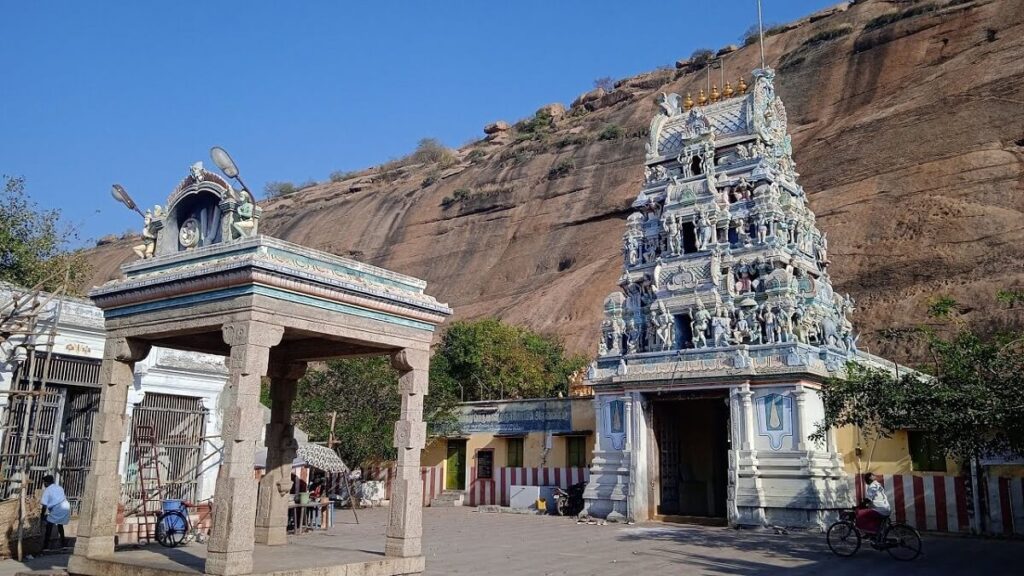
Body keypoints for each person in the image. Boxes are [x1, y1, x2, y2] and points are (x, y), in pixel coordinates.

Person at [856, 472, 891, 541]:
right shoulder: (878, 485)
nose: (865, 481)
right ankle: (875, 532)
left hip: (880, 510)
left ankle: (870, 532)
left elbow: (868, 500)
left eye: (866, 480)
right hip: (886, 509)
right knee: (870, 513)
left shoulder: (872, 486)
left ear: (868, 480)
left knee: (860, 514)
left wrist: (859, 506)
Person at [40, 474, 70, 549]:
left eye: (44, 482)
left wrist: (42, 516)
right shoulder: (59, 487)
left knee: (49, 525)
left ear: (46, 483)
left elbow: (44, 505)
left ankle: (45, 546)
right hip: (66, 506)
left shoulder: (47, 490)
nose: (44, 484)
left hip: (58, 508)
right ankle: (63, 544)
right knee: (60, 525)